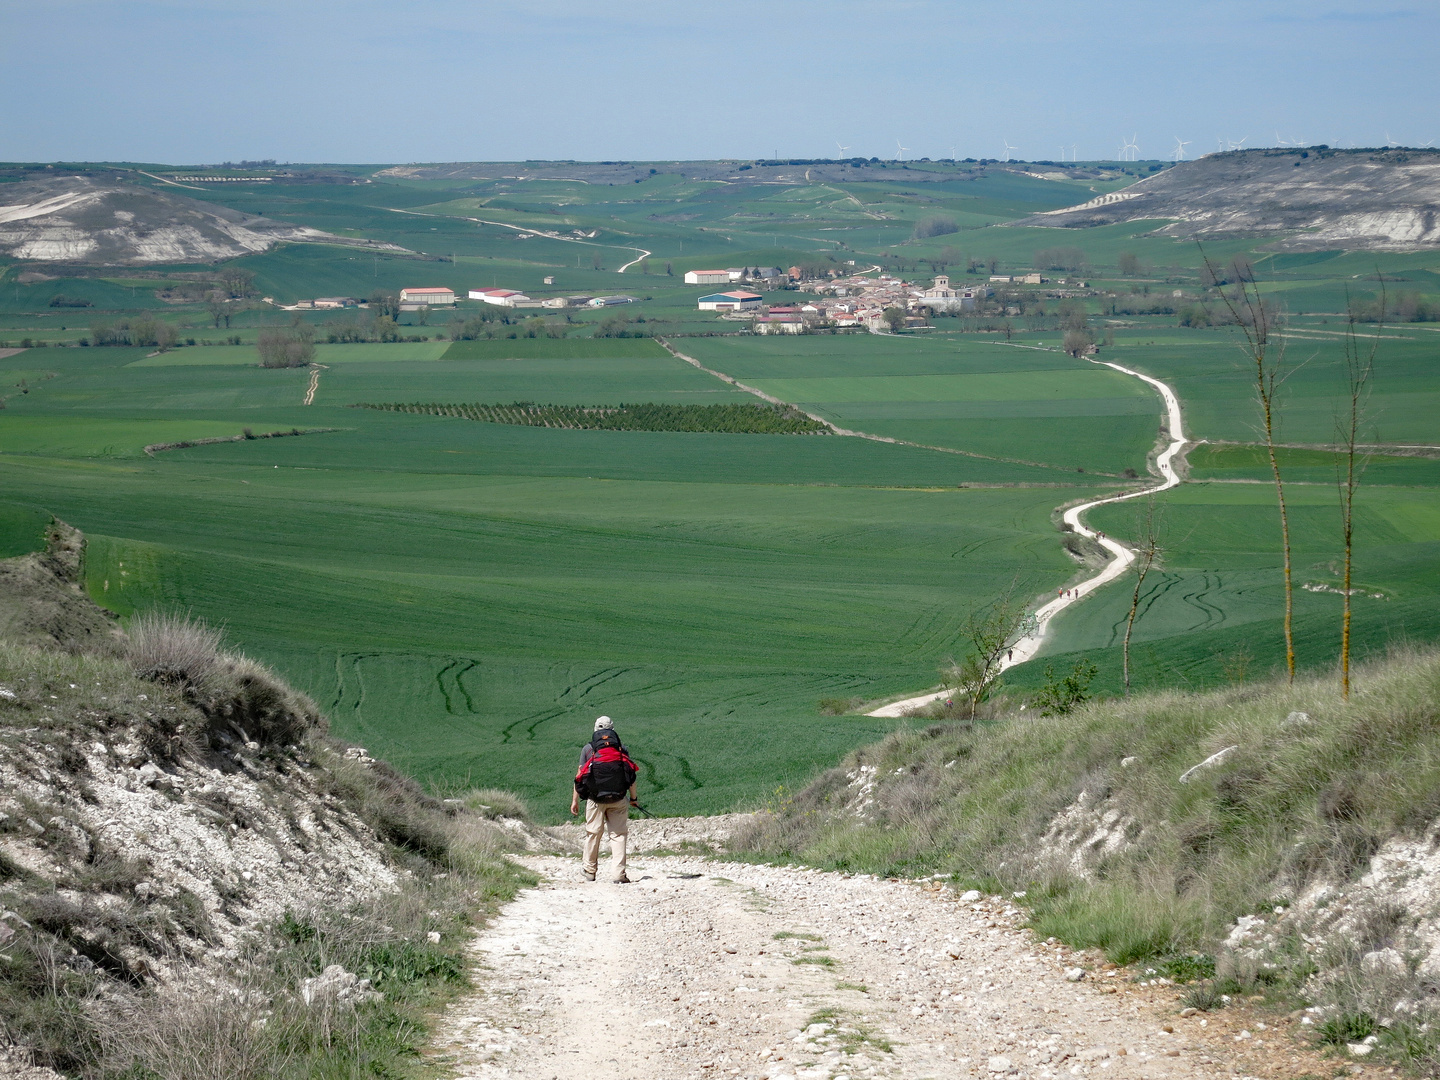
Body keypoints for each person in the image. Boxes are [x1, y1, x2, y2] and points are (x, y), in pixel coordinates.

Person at [570, 716, 639, 883]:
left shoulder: (588, 749)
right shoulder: (622, 749)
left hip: (595, 799)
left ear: (595, 729)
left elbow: (580, 775)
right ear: (612, 729)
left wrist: (574, 801)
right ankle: (618, 875)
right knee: (618, 835)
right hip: (618, 798)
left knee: (593, 834)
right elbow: (630, 776)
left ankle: (589, 871)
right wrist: (634, 798)